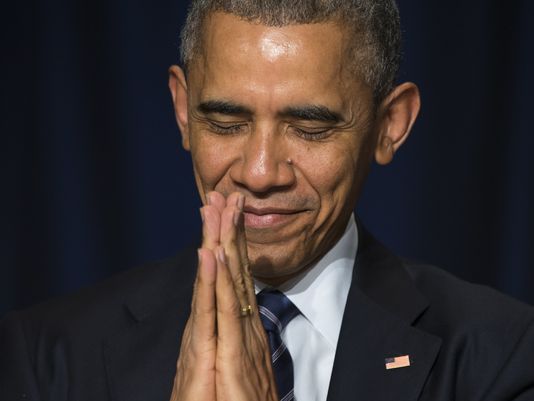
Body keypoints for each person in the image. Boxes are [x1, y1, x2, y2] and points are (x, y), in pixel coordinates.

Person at [1, 1, 533, 400]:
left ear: (389, 125)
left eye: (309, 129)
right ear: (183, 111)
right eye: (226, 123)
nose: (259, 174)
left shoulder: (503, 356)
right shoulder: (46, 357)